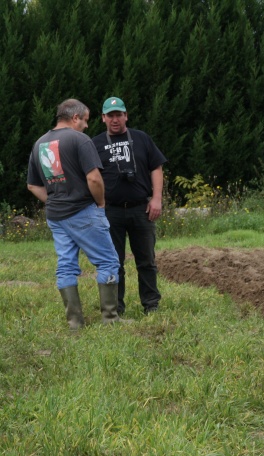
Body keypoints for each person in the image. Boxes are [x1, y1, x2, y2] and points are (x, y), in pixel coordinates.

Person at [27, 99, 123, 329]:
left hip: (56, 216)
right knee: (109, 261)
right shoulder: (80, 140)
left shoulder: (40, 143)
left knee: (66, 265)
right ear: (75, 117)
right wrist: (100, 203)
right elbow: (93, 178)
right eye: (86, 120)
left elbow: (32, 185)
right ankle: (110, 319)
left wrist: (55, 202)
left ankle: (75, 323)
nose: (87, 126)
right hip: (83, 211)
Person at [92, 96, 167, 315]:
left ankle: (151, 304)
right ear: (103, 118)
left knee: (146, 260)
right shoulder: (95, 143)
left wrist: (156, 198)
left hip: (140, 209)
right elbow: (90, 175)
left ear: (126, 116)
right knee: (114, 262)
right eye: (110, 116)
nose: (115, 120)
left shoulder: (141, 138)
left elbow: (156, 167)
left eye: (119, 115)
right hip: (110, 211)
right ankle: (117, 307)